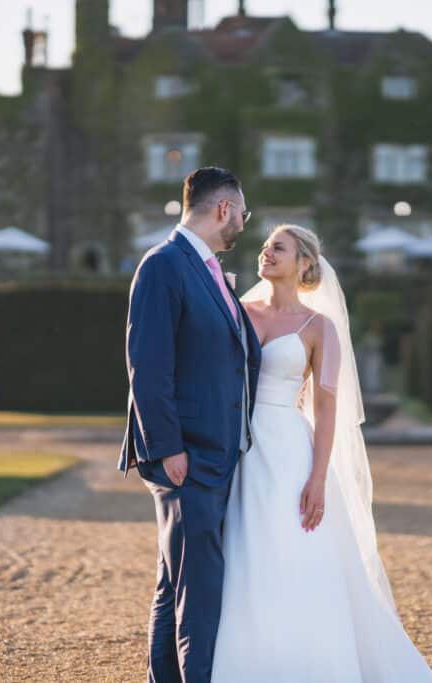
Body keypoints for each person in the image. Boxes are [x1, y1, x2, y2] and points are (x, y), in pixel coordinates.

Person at [210, 224, 432, 683]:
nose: (266, 253)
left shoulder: (318, 327)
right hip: (236, 446)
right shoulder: (237, 312)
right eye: (264, 246)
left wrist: (318, 477)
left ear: (304, 262)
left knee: (293, 549)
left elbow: (326, 406)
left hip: (287, 448)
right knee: (243, 551)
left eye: (278, 247)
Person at [119, 167, 261, 683]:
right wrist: (168, 447)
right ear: (223, 208)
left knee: (174, 583)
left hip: (214, 453)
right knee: (199, 593)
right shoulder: (163, 264)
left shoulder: (206, 269)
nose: (245, 223)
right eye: (243, 212)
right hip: (188, 456)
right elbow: (147, 364)